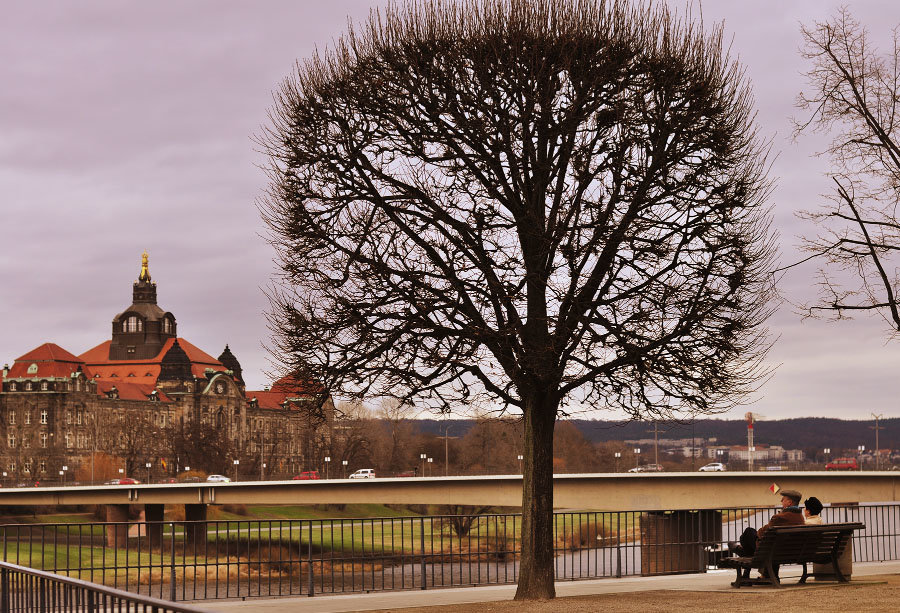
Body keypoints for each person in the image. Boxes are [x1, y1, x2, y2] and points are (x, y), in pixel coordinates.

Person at [729, 489, 805, 579]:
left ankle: (741, 551)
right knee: (750, 537)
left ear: (789, 502)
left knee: (748, 532)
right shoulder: (800, 518)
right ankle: (765, 574)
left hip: (772, 552)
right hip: (788, 552)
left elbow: (761, 533)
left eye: (783, 499)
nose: (781, 501)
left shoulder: (780, 517)